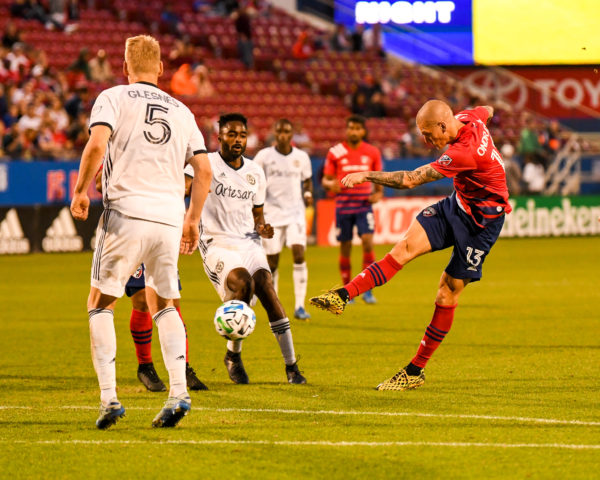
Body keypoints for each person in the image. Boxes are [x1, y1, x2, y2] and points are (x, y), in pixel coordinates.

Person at [310, 100, 511, 391]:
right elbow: (486, 109)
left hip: (482, 223)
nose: (428, 142)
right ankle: (343, 294)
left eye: (430, 135)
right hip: (457, 206)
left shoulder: (462, 153)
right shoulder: (468, 118)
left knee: (447, 291)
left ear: (444, 125)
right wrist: (491, 113)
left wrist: (366, 176)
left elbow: (409, 179)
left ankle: (415, 370)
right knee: (403, 248)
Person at [69, 35, 212, 429]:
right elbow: (204, 172)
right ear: (162, 69)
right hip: (168, 217)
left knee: (100, 302)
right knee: (164, 303)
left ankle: (109, 400)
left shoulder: (113, 97)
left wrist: (81, 191)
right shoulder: (183, 111)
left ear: (125, 66)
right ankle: (178, 392)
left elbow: (97, 146)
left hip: (126, 212)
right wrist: (193, 218)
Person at [184, 112, 306, 385]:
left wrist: (262, 227)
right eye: (231, 134)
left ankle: (291, 366)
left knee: (265, 286)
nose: (237, 140)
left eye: (242, 135)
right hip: (216, 243)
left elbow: (258, 214)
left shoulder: (254, 171)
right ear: (219, 137)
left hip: (248, 240)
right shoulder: (204, 164)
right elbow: (183, 188)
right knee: (242, 282)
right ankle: (235, 356)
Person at [93, 169, 208, 393]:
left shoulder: (171, 142)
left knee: (172, 301)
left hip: (163, 226)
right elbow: (99, 183)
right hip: (131, 227)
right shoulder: (122, 145)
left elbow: (193, 182)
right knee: (142, 300)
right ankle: (145, 365)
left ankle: (182, 367)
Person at [253, 119, 314, 320]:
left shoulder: (301, 157)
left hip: (295, 213)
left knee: (298, 254)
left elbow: (307, 181)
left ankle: (299, 306)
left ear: (291, 134)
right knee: (272, 262)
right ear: (274, 133)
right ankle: (275, 304)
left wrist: (307, 195)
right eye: (279, 131)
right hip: (272, 213)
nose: (282, 135)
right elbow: (253, 179)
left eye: (286, 132)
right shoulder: (264, 156)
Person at [322, 115, 383, 305]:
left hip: (363, 206)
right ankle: (347, 290)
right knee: (345, 247)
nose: (353, 131)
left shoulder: (372, 152)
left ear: (363, 131)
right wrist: (330, 184)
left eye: (357, 128)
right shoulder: (336, 151)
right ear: (346, 130)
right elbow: (326, 179)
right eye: (351, 128)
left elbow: (379, 179)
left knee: (367, 242)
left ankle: (367, 289)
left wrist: (378, 195)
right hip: (343, 207)